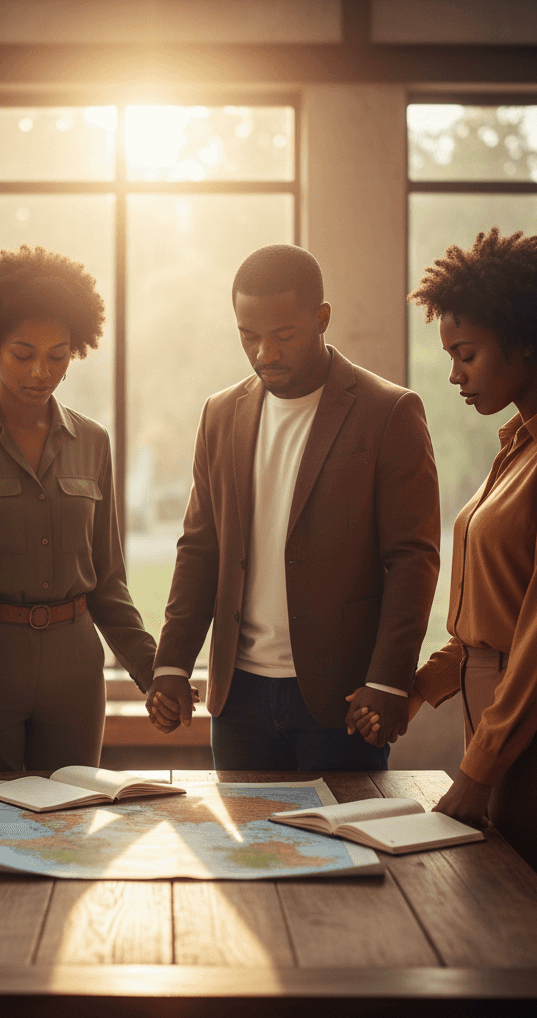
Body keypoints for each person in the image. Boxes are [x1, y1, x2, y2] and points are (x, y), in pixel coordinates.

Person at [384, 226, 537, 927]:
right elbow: (491, 619)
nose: (456, 374)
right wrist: (419, 690)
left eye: (467, 355)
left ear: (524, 340)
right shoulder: (522, 445)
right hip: (509, 720)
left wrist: (479, 768)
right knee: (500, 929)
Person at [147, 244, 440, 770]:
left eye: (284, 335)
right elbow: (200, 547)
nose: (265, 354)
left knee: (344, 851)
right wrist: (172, 661)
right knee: (245, 854)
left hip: (344, 700)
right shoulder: (219, 415)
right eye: (248, 336)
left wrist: (388, 680)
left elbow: (412, 559)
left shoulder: (389, 412)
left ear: (322, 317)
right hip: (237, 701)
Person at [0, 245, 160, 771]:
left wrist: (156, 672)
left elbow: (108, 582)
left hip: (75, 671)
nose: (41, 372)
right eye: (23, 354)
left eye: (58, 355)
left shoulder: (94, 442)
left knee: (66, 833)